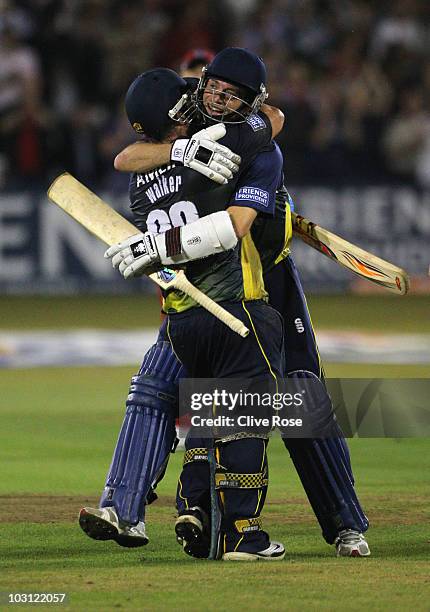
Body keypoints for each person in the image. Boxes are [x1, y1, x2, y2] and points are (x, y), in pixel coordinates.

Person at [80, 48, 288, 561]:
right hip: (235, 305)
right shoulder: (227, 148)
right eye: (199, 93)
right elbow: (235, 217)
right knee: (247, 413)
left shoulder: (138, 182)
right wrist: (189, 153)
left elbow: (125, 158)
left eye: (220, 91)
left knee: (163, 398)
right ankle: (239, 530)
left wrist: (152, 247)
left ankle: (168, 508)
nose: (208, 99)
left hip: (179, 314)